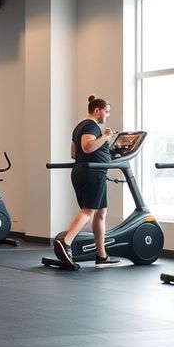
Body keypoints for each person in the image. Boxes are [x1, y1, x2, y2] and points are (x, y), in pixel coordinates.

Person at [53, 95, 121, 267]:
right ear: (97, 110)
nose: (107, 115)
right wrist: (105, 137)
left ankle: (102, 256)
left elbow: (74, 153)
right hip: (92, 173)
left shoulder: (79, 127)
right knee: (89, 211)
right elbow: (86, 147)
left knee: (101, 212)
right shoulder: (91, 126)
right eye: (106, 112)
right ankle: (66, 242)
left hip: (83, 171)